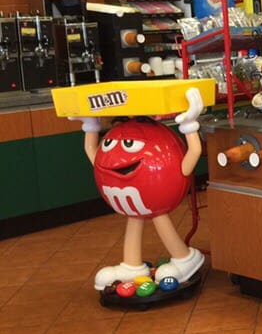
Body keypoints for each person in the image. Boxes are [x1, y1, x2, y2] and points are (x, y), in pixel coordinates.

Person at [74, 88, 206, 290]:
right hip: (134, 205)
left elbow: (195, 151)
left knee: (158, 216)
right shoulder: (106, 156)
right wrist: (90, 124)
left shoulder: (160, 143)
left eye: (128, 144)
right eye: (109, 143)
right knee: (135, 217)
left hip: (160, 199)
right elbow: (92, 151)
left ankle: (184, 257)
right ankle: (132, 265)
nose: (117, 155)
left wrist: (189, 124)